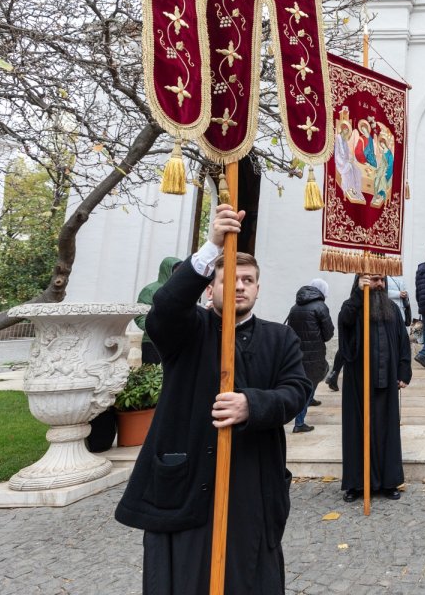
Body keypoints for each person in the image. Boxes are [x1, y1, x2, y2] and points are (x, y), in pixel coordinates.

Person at [114, 204, 311, 594]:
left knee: (248, 573)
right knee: (185, 577)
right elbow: (164, 310)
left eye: (248, 280)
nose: (239, 286)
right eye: (229, 279)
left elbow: (295, 392)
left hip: (253, 479)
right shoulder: (188, 329)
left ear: (258, 288)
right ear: (210, 287)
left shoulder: (280, 337)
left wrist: (251, 405)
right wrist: (211, 246)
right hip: (186, 479)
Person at [338, 274, 412, 503]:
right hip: (358, 383)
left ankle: (389, 482)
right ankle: (356, 484)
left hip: (387, 380)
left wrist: (403, 370)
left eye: (381, 280)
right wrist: (359, 293)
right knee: (357, 431)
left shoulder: (391, 308)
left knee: (386, 431)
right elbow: (345, 324)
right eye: (373, 280)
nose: (378, 284)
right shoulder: (352, 305)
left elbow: (402, 341)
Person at [286, 278, 335, 433]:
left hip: (296, 352)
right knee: (313, 379)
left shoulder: (295, 307)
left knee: (311, 378)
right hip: (314, 353)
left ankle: (311, 398)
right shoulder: (320, 307)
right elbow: (328, 334)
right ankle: (299, 423)